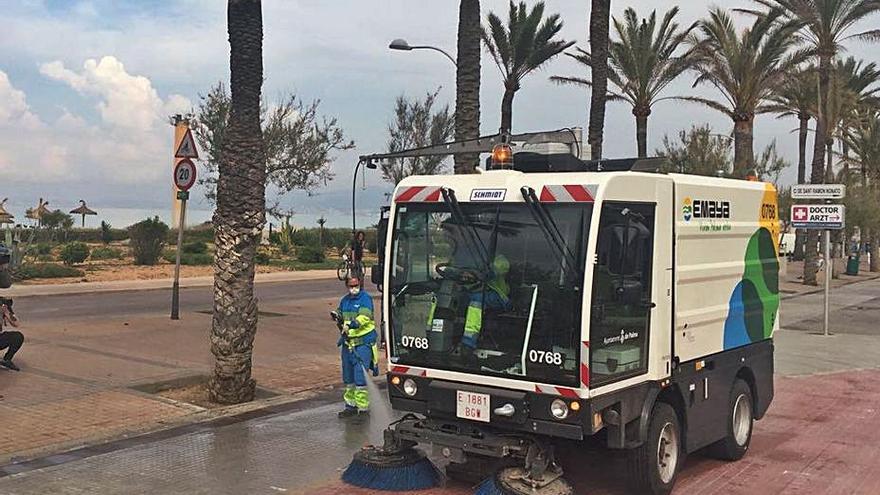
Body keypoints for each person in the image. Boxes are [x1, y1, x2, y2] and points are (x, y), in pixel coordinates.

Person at [336, 276, 378, 418]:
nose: (354, 288)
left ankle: (363, 409)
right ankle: (350, 406)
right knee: (348, 378)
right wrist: (337, 317)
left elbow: (364, 317)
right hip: (348, 344)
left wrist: (352, 324)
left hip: (363, 344)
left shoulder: (365, 299)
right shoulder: (345, 300)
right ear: (347, 286)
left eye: (356, 285)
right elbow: (340, 313)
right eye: (351, 286)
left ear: (359, 284)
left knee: (360, 377)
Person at [461, 254, 512, 349]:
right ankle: (431, 337)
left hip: (497, 295)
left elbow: (503, 266)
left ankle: (468, 343)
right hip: (471, 290)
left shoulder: (493, 251)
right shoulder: (468, 249)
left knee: (477, 301)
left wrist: (491, 271)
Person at [0, 297, 22, 371]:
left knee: (17, 336)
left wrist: (6, 312)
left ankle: (6, 360)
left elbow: (16, 323)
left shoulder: (3, 303)